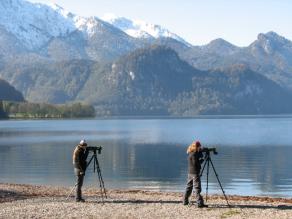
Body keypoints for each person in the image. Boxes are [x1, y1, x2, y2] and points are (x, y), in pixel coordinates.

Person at [183, 140, 208, 207]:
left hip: (190, 172)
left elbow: (196, 160)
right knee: (197, 188)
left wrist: (202, 151)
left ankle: (185, 201)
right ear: (197, 147)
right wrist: (203, 159)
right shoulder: (194, 154)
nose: (200, 148)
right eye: (199, 146)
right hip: (195, 173)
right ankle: (199, 203)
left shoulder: (191, 152)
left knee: (189, 187)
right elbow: (196, 164)